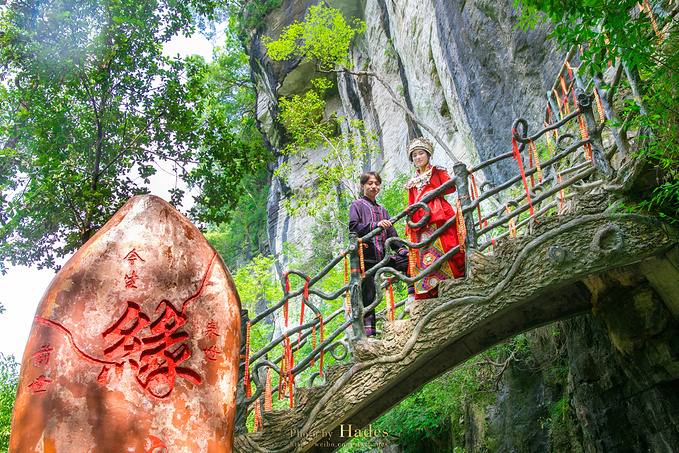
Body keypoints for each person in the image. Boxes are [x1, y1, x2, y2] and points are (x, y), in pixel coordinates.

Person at [349, 171, 409, 337]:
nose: (374, 186)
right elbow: (353, 227)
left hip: (383, 255)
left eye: (376, 183)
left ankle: (412, 299)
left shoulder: (383, 210)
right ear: (363, 186)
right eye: (370, 183)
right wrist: (374, 225)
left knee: (411, 261)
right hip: (366, 258)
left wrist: (401, 250)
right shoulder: (357, 205)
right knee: (368, 295)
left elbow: (392, 235)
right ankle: (370, 334)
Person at [405, 137, 465, 300]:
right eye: (415, 155)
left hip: (438, 213)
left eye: (421, 154)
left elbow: (451, 186)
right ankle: (433, 286)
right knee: (426, 250)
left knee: (447, 242)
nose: (418, 158)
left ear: (428, 154)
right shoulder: (411, 182)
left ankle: (452, 278)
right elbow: (412, 203)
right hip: (420, 218)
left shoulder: (437, 171)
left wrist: (433, 194)